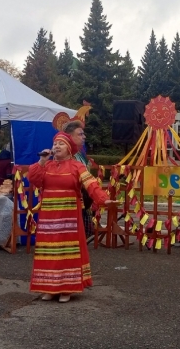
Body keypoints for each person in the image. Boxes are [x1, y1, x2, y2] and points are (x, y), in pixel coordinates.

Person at [28, 132, 115, 303]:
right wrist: (42, 161)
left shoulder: (77, 166)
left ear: (69, 149)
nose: (57, 147)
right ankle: (49, 288)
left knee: (66, 251)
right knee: (49, 252)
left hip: (68, 217)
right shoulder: (47, 165)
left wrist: (104, 199)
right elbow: (34, 179)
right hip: (48, 218)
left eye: (61, 144)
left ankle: (66, 289)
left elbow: (91, 184)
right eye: (55, 144)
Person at [63, 120, 94, 243]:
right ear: (70, 137)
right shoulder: (65, 156)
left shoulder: (79, 154)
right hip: (69, 203)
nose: (84, 136)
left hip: (82, 201)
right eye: (80, 134)